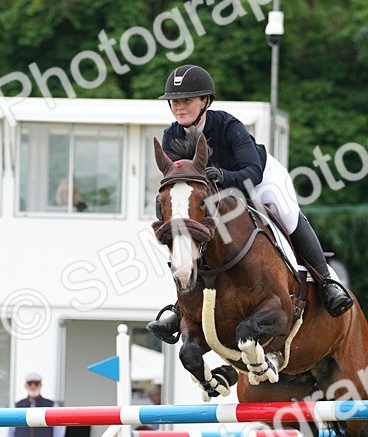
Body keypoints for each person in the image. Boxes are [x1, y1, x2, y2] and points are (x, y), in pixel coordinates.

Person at [147, 64, 353, 343]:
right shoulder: (172, 137)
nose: (179, 107)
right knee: (186, 235)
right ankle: (179, 307)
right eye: (175, 101)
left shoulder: (227, 126)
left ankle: (327, 282)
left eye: (187, 100)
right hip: (215, 198)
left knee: (286, 213)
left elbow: (252, 172)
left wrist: (222, 175)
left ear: (205, 101)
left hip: (258, 179)